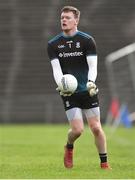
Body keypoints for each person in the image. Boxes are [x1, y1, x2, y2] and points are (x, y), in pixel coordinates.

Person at [47, 6, 111, 169]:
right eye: (62, 17)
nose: (64, 20)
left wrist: (91, 82)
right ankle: (69, 146)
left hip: (87, 89)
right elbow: (56, 69)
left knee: (96, 127)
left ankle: (104, 164)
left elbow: (93, 66)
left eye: (68, 17)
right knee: (77, 131)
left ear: (76, 20)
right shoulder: (53, 44)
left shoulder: (87, 40)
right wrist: (61, 84)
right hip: (69, 92)